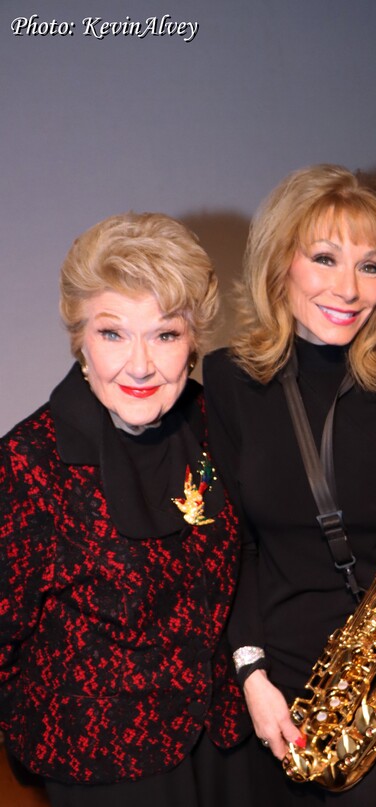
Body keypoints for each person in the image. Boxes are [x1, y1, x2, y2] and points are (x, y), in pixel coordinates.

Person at [203, 164, 376, 806]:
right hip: (278, 681)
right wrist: (251, 674)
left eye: (370, 266)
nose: (349, 289)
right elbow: (234, 545)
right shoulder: (229, 382)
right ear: (278, 263)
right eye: (324, 258)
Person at [0, 212, 248, 807]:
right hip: (103, 765)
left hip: (231, 746)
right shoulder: (27, 463)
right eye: (113, 334)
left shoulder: (220, 425)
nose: (140, 365)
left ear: (193, 341)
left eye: (165, 334)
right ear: (80, 340)